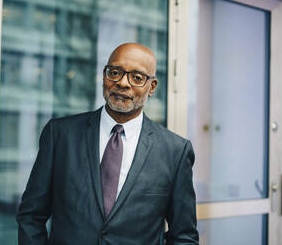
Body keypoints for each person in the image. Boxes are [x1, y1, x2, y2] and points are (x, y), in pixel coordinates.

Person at [17, 43, 199, 244]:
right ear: (104, 76)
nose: (122, 83)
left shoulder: (175, 151)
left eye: (137, 78)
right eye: (115, 72)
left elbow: (184, 236)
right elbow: (31, 216)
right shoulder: (60, 134)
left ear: (152, 87)